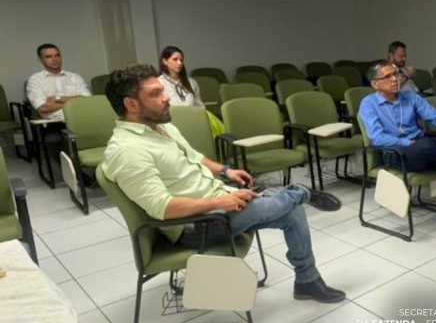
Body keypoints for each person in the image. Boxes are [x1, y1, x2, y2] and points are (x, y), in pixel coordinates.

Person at [102, 64, 346, 303]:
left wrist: (226, 171)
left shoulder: (161, 127)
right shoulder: (127, 150)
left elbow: (194, 157)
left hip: (217, 201)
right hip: (197, 225)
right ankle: (301, 192)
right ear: (131, 105)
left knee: (293, 213)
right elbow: (162, 207)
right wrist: (221, 202)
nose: (166, 97)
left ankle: (307, 281)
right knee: (291, 203)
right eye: (155, 93)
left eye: (162, 90)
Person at [359, 62, 436, 240]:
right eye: (387, 77)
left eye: (396, 74)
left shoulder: (410, 96)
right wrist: (407, 142)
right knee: (425, 144)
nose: (395, 79)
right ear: (375, 84)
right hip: (397, 155)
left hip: (426, 152)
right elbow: (377, 138)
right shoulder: (368, 104)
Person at [26, 43, 91, 121]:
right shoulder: (35, 79)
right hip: (54, 123)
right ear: (40, 60)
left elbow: (87, 99)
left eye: (57, 55)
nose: (54, 59)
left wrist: (58, 98)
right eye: (48, 56)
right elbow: (42, 107)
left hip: (82, 118)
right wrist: (75, 105)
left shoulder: (75, 77)